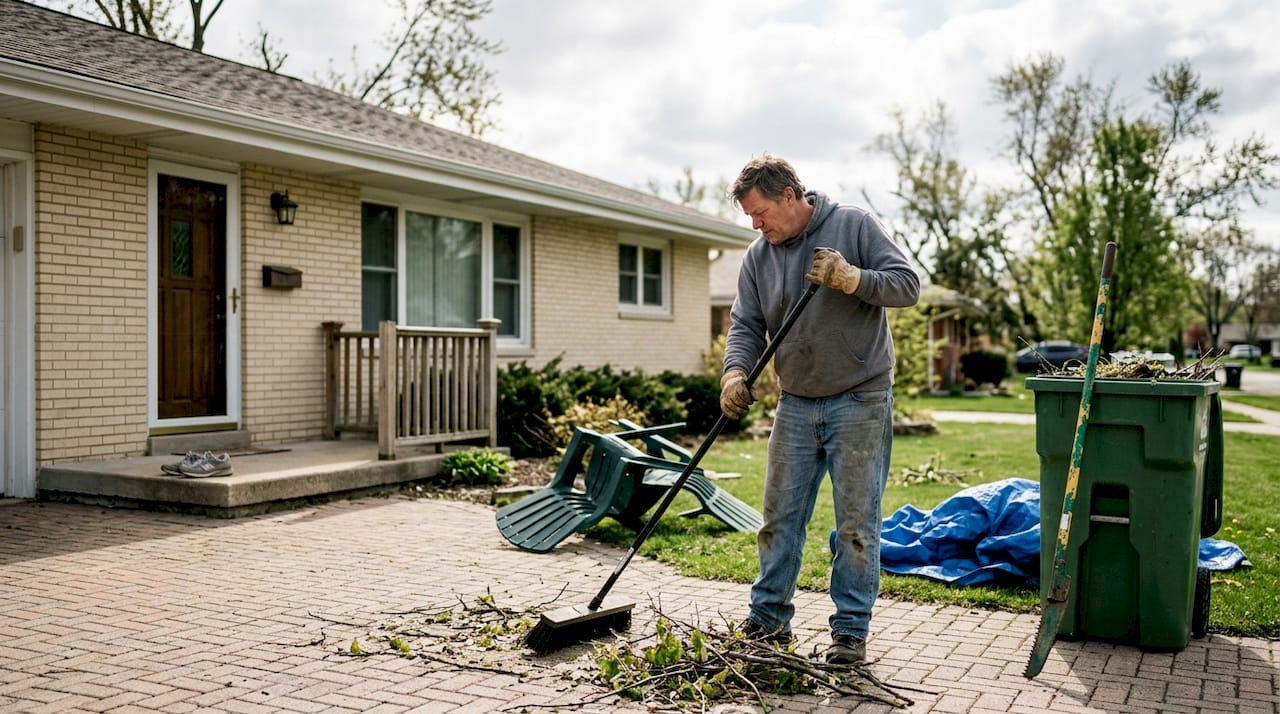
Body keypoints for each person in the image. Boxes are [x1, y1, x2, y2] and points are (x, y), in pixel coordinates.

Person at [721, 155, 920, 665]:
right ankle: (768, 623)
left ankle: (849, 634)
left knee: (856, 524)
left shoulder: (853, 225)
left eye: (761, 211)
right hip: (795, 402)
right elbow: (746, 325)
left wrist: (852, 278)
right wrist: (734, 372)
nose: (756, 224)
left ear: (790, 195)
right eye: (750, 216)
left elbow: (907, 286)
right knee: (778, 519)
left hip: (860, 397)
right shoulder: (757, 256)